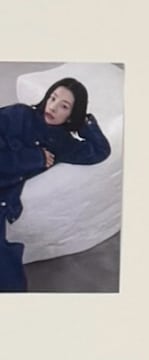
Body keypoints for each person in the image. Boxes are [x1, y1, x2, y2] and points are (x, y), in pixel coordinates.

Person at [0, 77, 111, 292]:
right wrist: (34, 158)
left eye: (64, 106)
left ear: (71, 115)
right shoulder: (19, 114)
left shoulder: (62, 143)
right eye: (52, 98)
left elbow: (99, 151)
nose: (52, 107)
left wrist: (85, 122)